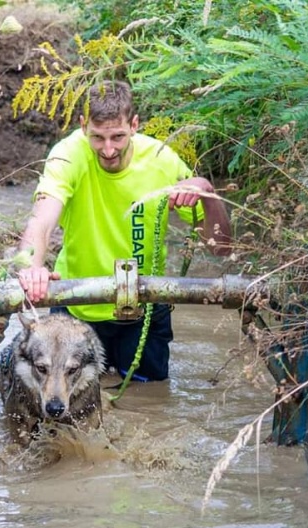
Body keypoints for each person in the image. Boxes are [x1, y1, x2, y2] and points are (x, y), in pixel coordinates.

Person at [16, 80, 231, 382]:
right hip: (77, 310)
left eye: (117, 136)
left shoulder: (161, 159)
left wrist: (207, 192)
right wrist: (32, 267)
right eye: (97, 137)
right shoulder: (67, 154)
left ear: (134, 125)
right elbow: (43, 216)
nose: (107, 149)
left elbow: (221, 248)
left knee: (150, 403)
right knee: (62, 405)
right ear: (82, 127)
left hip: (145, 310)